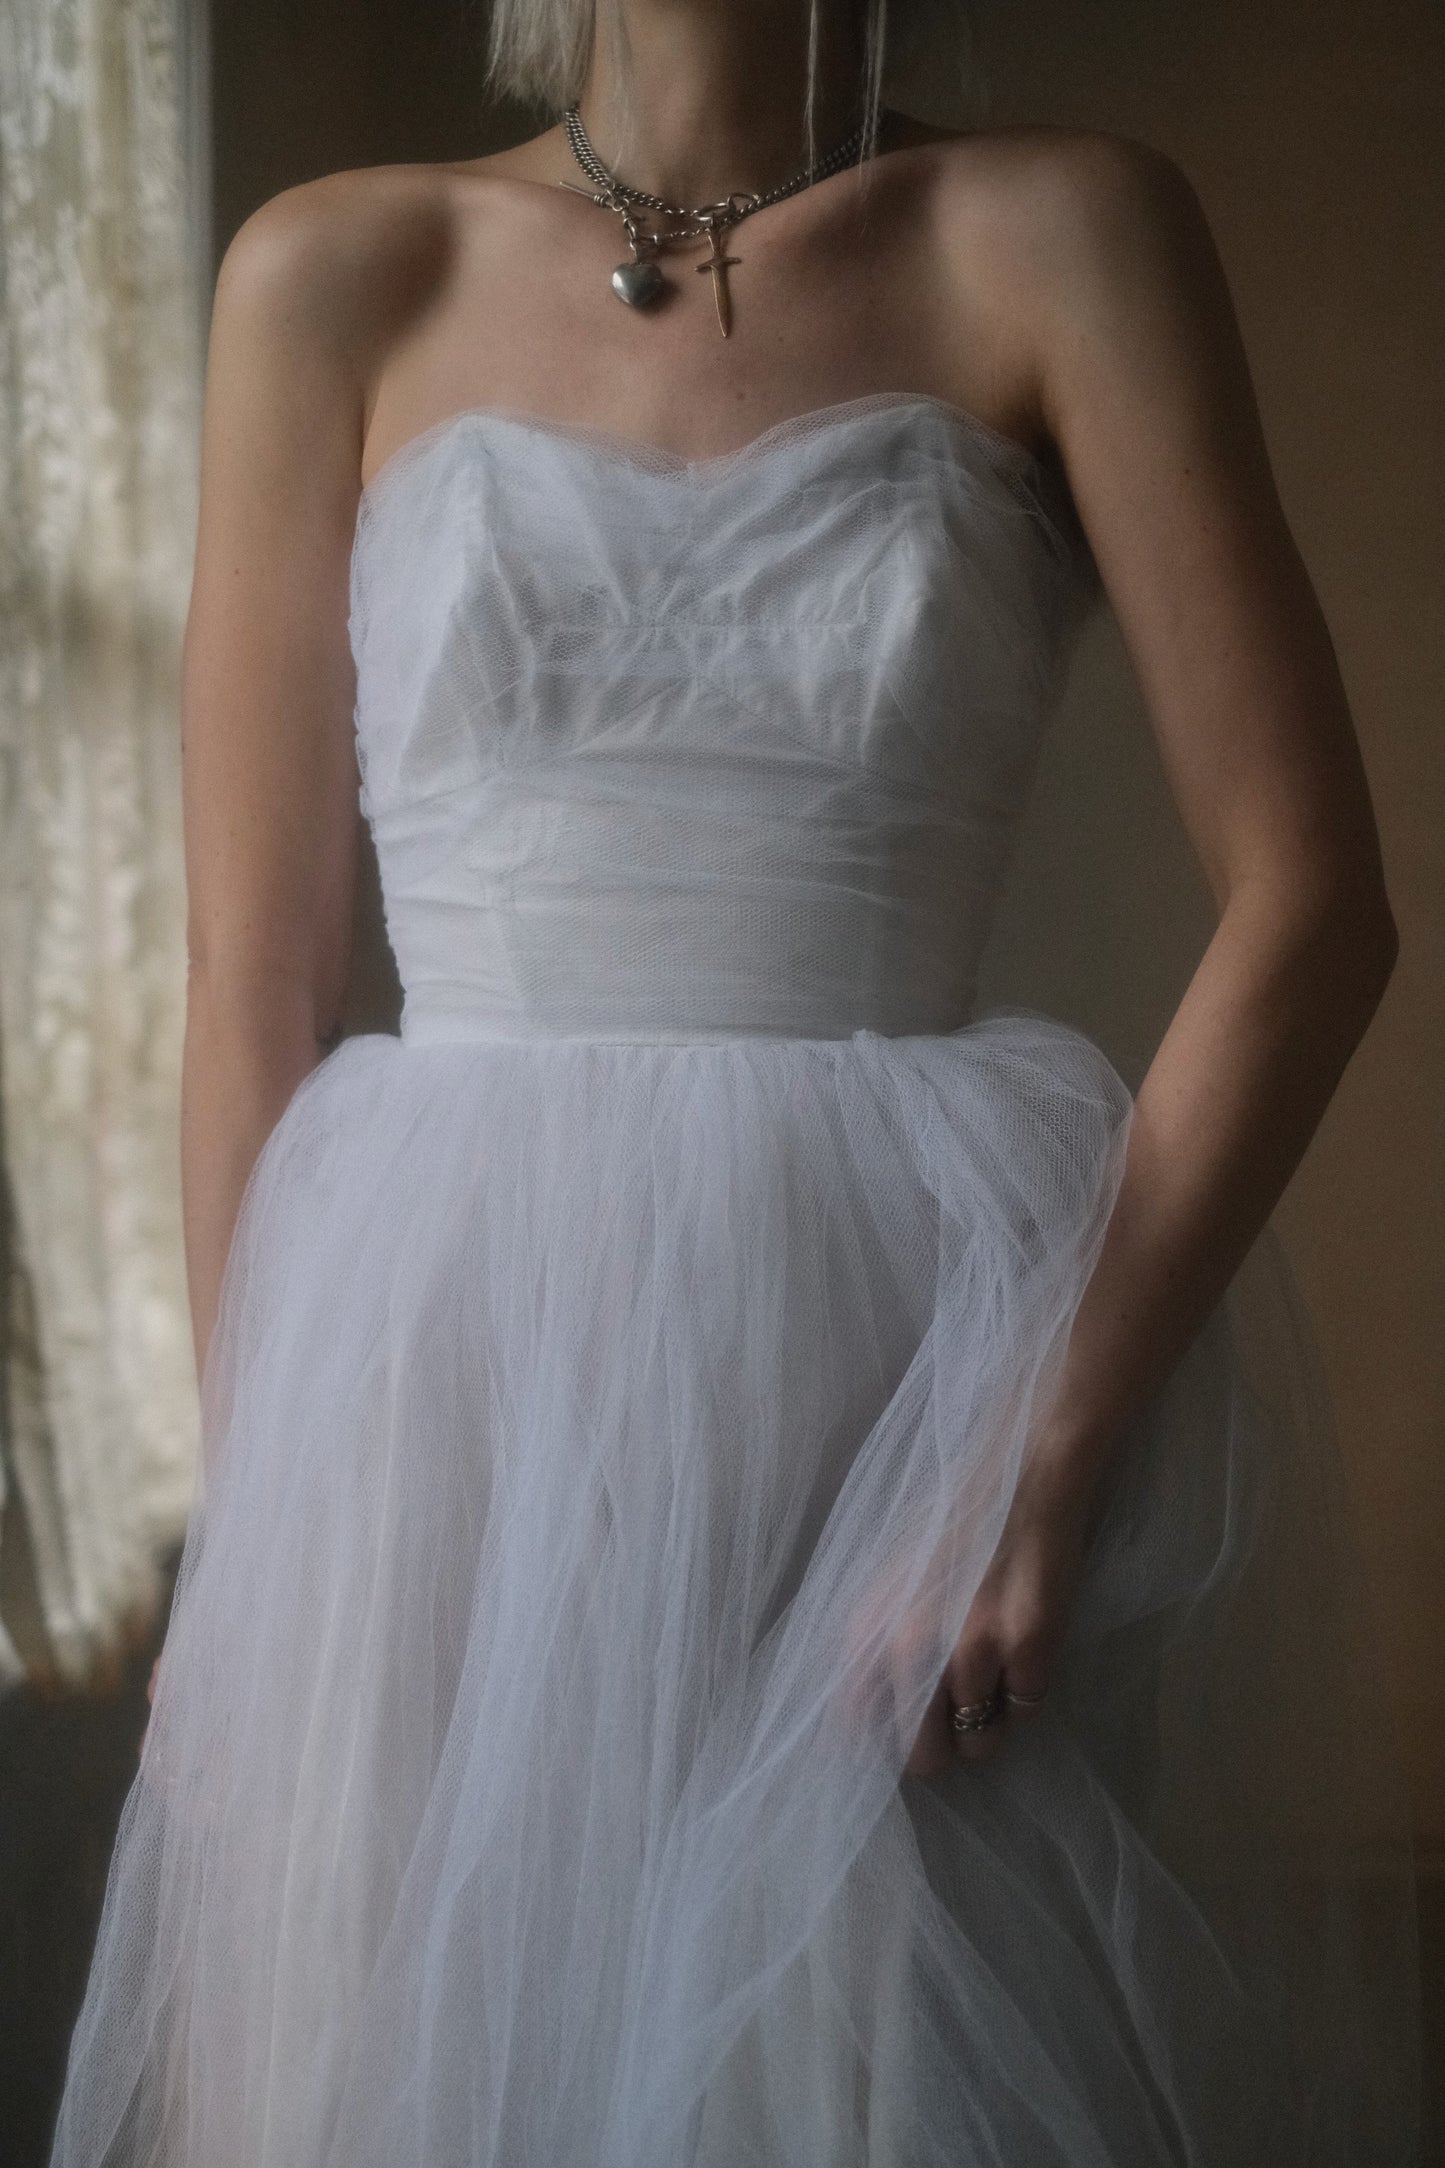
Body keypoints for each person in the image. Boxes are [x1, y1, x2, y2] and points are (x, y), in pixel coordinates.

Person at [50, 0, 1422, 2162]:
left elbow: (1317, 903)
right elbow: (253, 994)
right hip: (435, 1397)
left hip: (890, 1388)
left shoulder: (1059, 235)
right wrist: (265, 1558)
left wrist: (1023, 1462)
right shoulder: (332, 271)